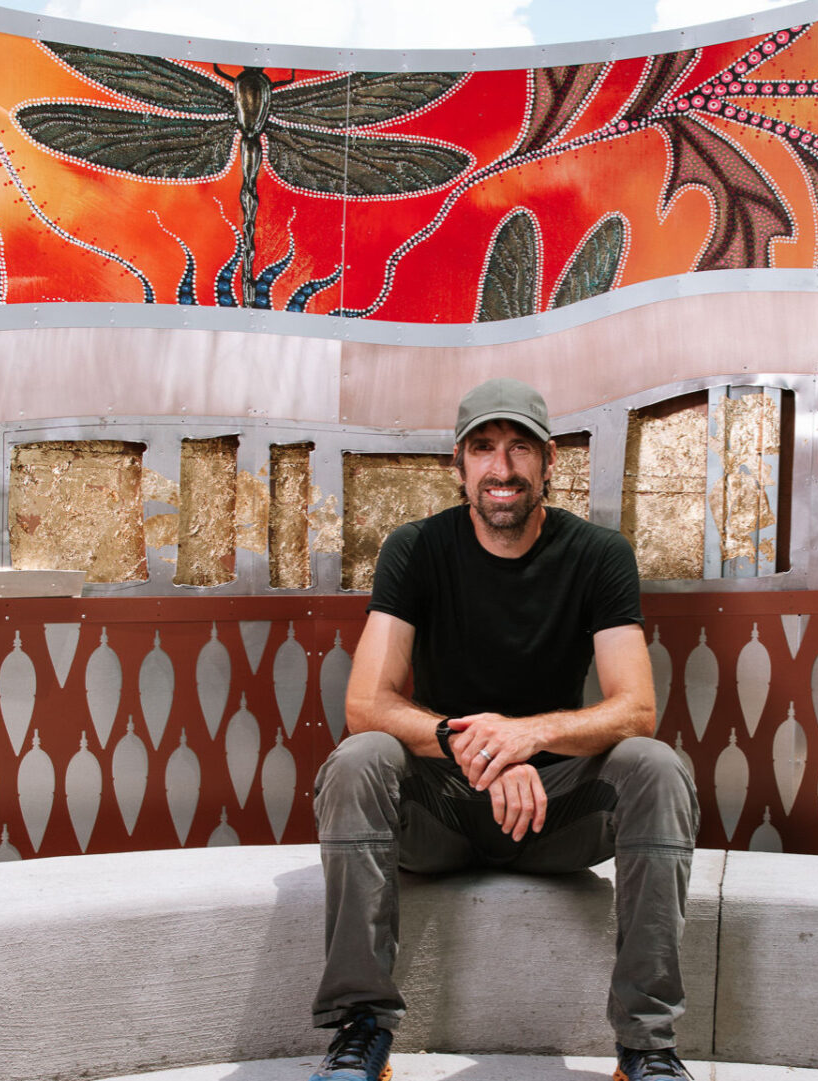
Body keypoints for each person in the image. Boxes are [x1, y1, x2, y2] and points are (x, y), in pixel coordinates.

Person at [308, 377, 700, 1081]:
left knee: (656, 765)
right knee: (359, 757)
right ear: (458, 465)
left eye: (520, 447)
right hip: (442, 809)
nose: (502, 466)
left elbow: (635, 709)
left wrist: (529, 736)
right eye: (483, 447)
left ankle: (647, 1045)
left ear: (548, 462)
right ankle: (360, 1028)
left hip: (554, 812)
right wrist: (481, 746)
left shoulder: (598, 554)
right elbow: (366, 703)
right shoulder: (416, 548)